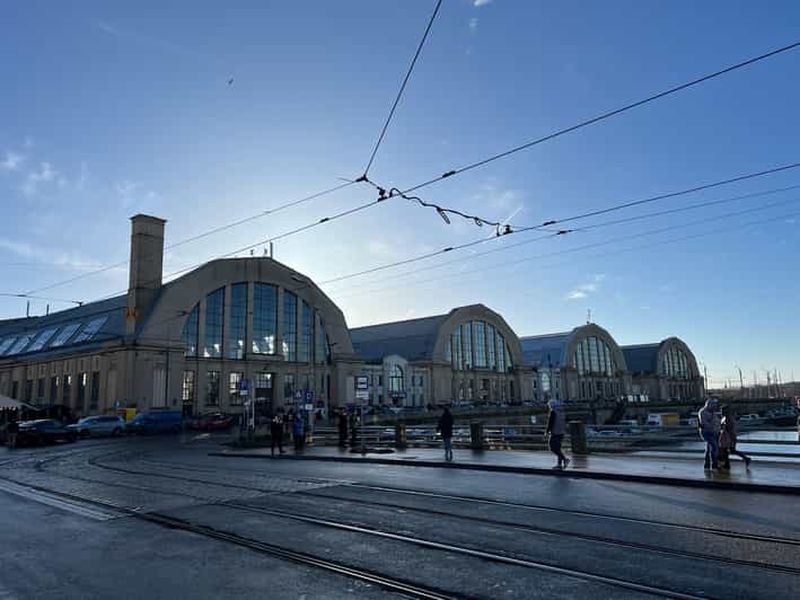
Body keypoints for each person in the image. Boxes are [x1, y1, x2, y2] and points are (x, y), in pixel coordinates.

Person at [719, 405, 751, 470]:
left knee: (729, 450)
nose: (721, 412)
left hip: (729, 436)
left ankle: (745, 458)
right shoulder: (725, 418)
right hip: (726, 436)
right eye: (721, 411)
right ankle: (727, 464)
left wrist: (731, 438)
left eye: (723, 411)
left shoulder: (728, 418)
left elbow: (729, 428)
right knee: (727, 450)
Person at [545, 399, 570, 469]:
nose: (549, 407)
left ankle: (565, 459)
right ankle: (559, 464)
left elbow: (550, 423)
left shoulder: (553, 412)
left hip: (555, 432)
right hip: (562, 432)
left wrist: (547, 432)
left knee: (552, 447)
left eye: (549, 406)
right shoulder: (561, 411)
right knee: (558, 448)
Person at [698, 398, 721, 470]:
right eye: (713, 405)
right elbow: (705, 423)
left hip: (714, 432)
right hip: (706, 432)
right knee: (714, 447)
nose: (714, 407)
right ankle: (714, 464)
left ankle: (707, 464)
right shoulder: (703, 412)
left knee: (709, 448)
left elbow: (717, 421)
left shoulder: (712, 412)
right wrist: (713, 424)